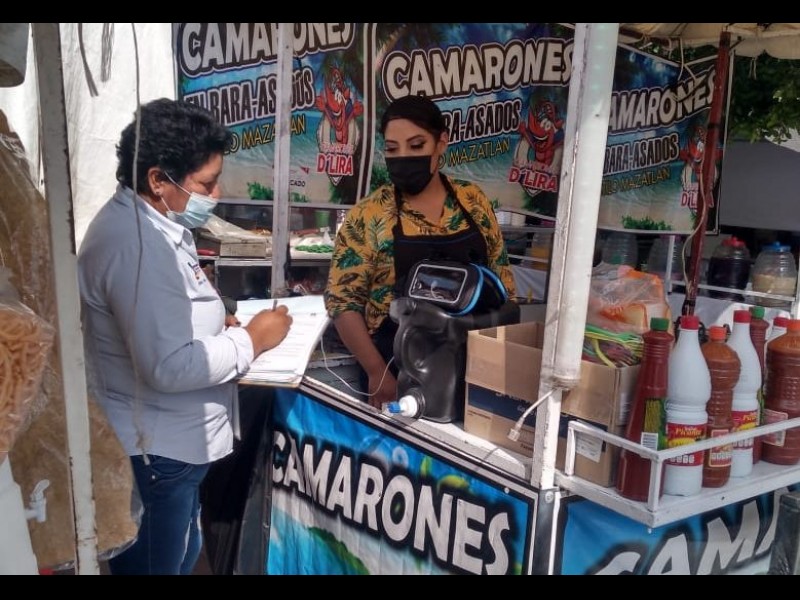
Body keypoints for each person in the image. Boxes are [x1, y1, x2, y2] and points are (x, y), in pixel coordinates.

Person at [77, 98, 293, 575]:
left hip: (171, 450)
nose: (217, 193)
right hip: (158, 451)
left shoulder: (155, 225)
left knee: (180, 555)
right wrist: (253, 341)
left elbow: (164, 319)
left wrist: (217, 322)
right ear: (158, 179)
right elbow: (168, 366)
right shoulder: (136, 244)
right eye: (206, 183)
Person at [324, 95, 516, 409]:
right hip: (394, 373)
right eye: (392, 149)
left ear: (441, 143)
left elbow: (504, 285)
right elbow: (343, 303)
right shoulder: (369, 214)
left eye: (416, 146)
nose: (403, 157)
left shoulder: (473, 201)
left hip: (474, 373)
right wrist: (376, 373)